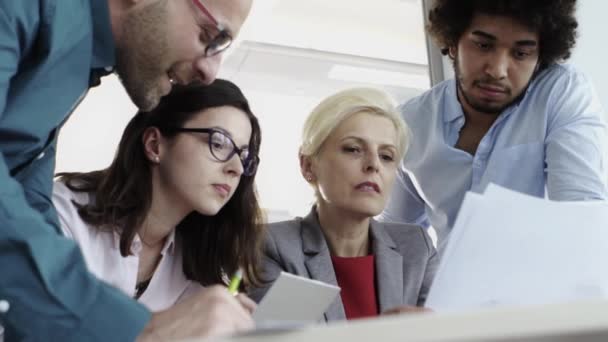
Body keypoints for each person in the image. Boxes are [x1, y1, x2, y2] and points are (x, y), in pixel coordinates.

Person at [0, 0, 256, 340]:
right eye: (210, 35)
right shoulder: (24, 12)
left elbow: (27, 200)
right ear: (154, 144)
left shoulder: (76, 65)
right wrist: (137, 329)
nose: (211, 71)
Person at [380, 0, 608, 249]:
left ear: (541, 57)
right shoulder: (409, 123)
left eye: (521, 54)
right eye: (483, 45)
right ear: (453, 43)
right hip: (447, 285)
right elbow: (397, 237)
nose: (497, 70)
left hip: (540, 283)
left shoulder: (561, 92)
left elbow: (581, 213)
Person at [53, 80, 263, 312]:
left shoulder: (199, 264)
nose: (237, 168)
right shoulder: (63, 215)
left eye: (244, 156)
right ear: (154, 145)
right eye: (218, 143)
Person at [249, 88, 438, 321]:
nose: (373, 165)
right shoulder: (269, 246)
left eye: (387, 156)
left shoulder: (417, 248)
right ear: (308, 166)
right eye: (353, 149)